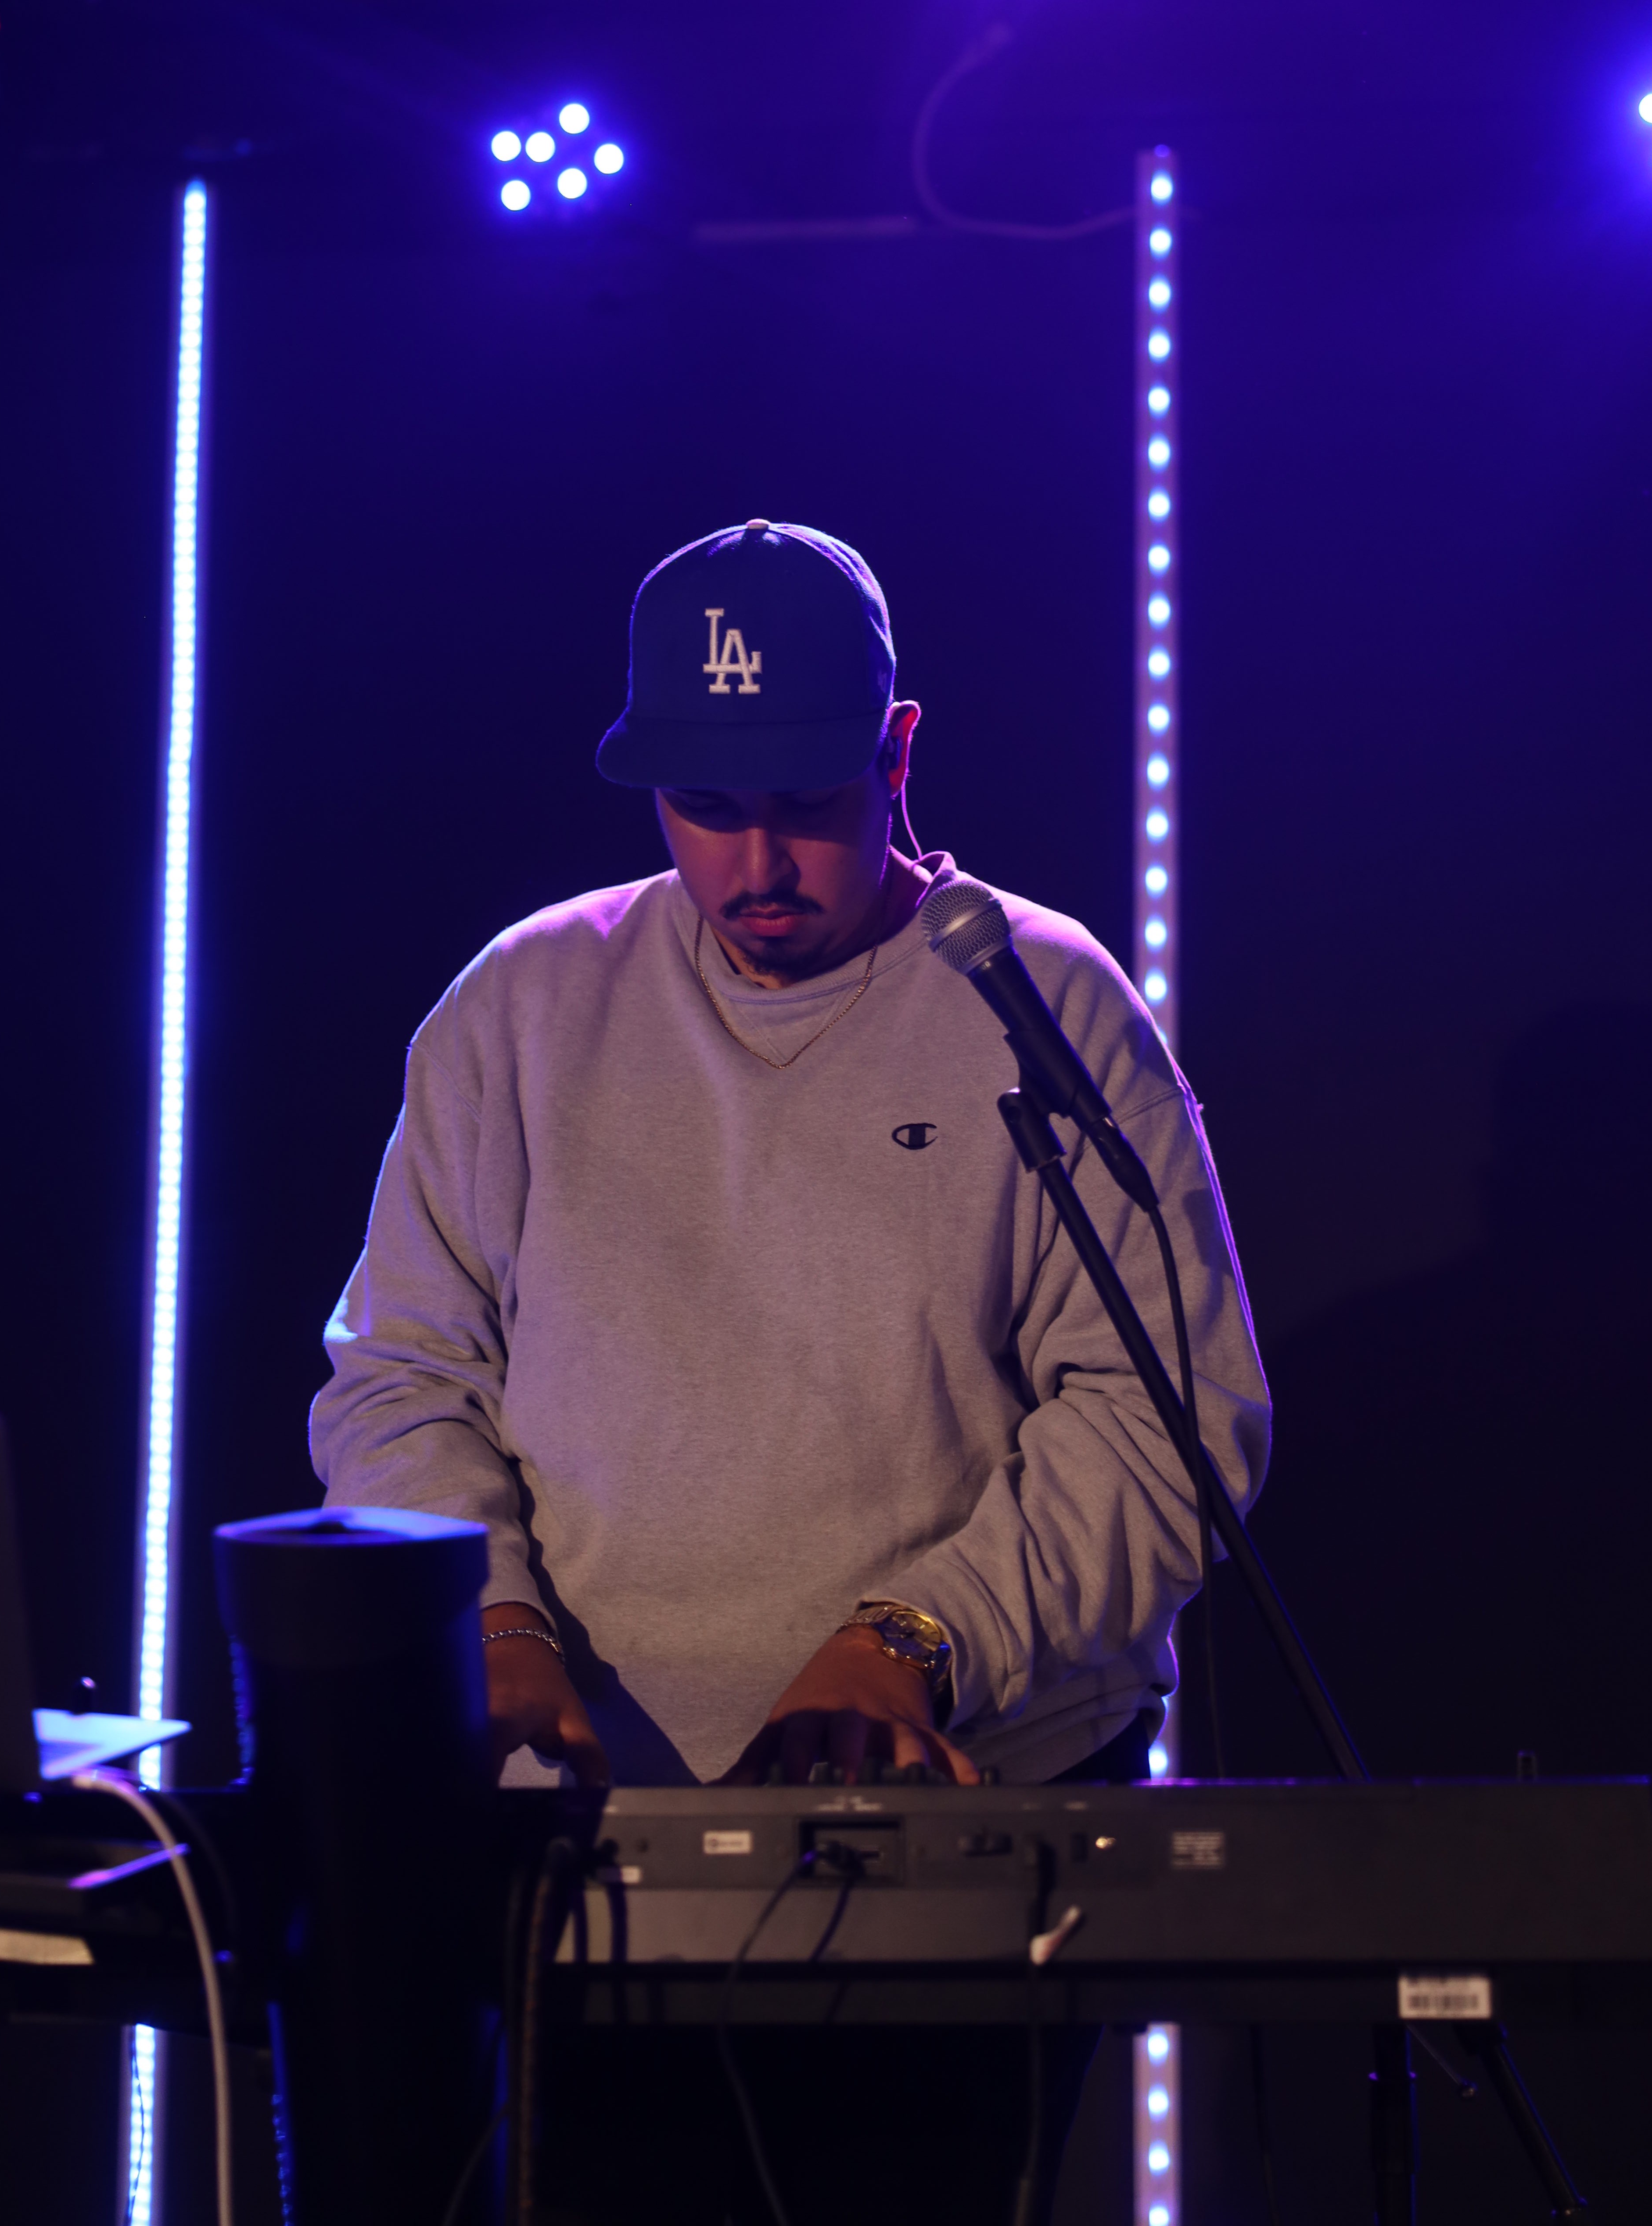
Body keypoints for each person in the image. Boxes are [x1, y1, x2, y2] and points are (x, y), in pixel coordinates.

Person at [310, 518, 1269, 2222]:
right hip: (583, 1841)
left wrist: (913, 1640)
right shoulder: (523, 1008)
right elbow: (402, 1378)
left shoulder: (1044, 1004)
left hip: (953, 1832)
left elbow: (1168, 1424)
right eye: (703, 807)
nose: (756, 863)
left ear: (897, 753)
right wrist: (495, 1625)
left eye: (806, 804)